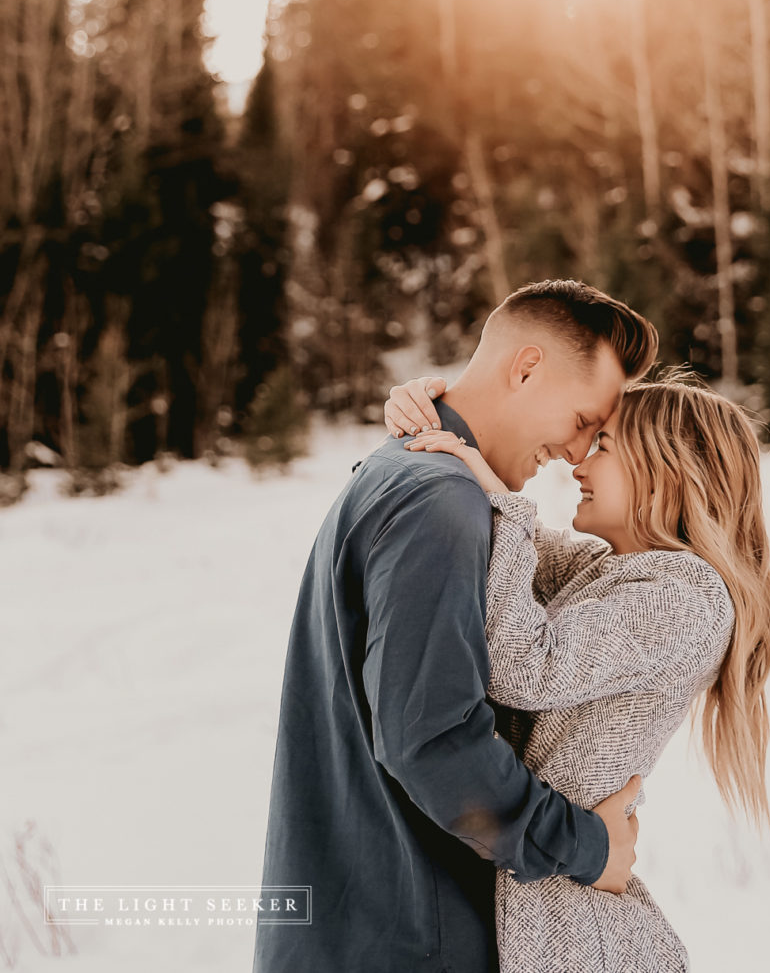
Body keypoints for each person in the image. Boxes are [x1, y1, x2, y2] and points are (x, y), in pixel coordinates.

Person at [252, 279, 659, 973]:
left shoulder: (403, 469)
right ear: (526, 368)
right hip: (407, 938)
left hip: (361, 929)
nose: (575, 453)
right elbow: (433, 741)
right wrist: (588, 847)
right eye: (582, 420)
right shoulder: (438, 502)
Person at [385, 370, 770, 973]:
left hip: (569, 919)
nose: (578, 466)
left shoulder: (688, 599)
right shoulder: (617, 570)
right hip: (549, 877)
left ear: (669, 473)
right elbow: (522, 548)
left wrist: (497, 500)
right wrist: (431, 414)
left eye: (604, 447)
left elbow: (525, 666)